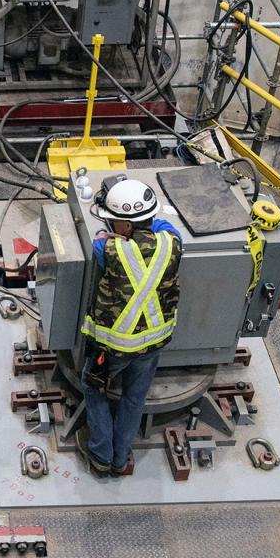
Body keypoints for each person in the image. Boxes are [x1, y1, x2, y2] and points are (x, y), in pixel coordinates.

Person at [78, 176, 182, 478]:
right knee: (134, 398)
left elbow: (98, 238)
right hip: (153, 344)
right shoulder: (173, 243)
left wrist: (111, 234)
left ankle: (101, 455)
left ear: (124, 226)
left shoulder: (108, 251)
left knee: (93, 388)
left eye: (115, 222)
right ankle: (120, 459)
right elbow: (164, 227)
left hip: (113, 348)